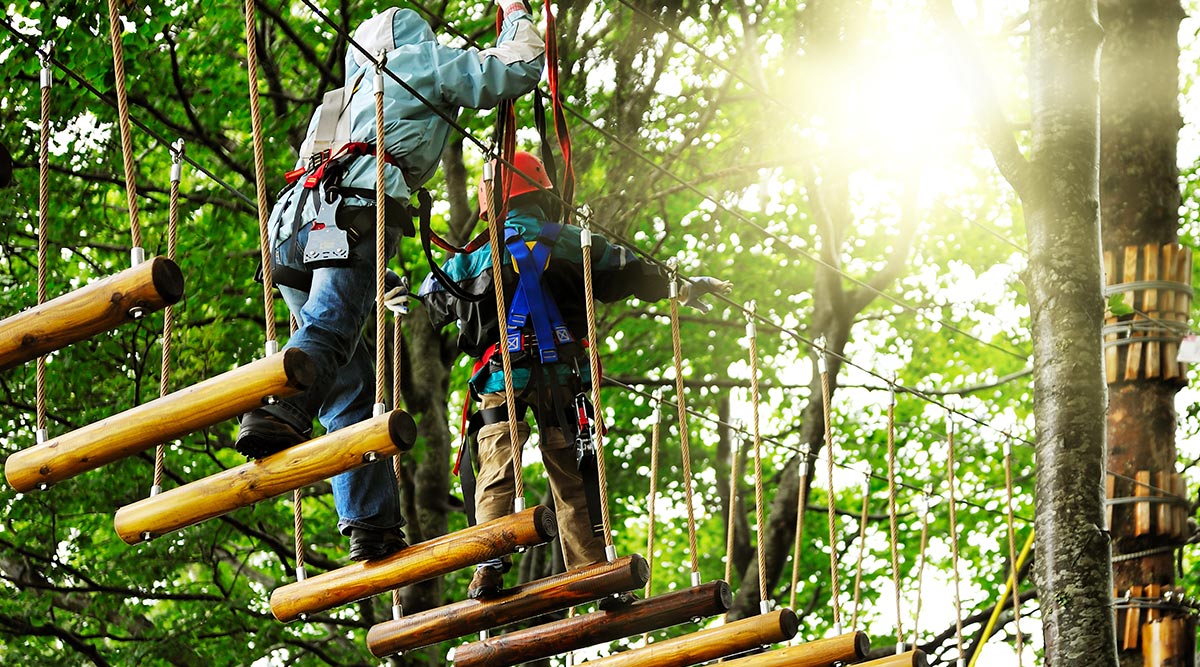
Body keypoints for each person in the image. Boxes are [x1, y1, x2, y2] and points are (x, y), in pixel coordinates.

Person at [234, 3, 546, 562]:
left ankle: (370, 523)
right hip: (353, 208)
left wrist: (380, 275)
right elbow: (517, 67)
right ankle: (277, 407)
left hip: (292, 227)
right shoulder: (416, 62)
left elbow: (326, 208)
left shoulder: (339, 100)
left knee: (351, 382)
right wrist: (516, 13)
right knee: (331, 330)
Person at [419, 151, 731, 600]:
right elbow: (634, 271)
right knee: (574, 479)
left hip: (499, 378)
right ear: (545, 197)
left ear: (491, 205)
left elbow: (432, 297)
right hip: (564, 378)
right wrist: (680, 285)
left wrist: (393, 291)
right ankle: (593, 573)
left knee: (495, 467)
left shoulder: (471, 261)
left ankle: (488, 563)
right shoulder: (576, 242)